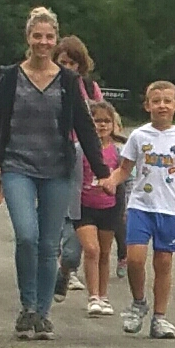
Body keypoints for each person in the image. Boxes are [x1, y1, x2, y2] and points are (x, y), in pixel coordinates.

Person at [0, 6, 101, 341]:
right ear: (28, 38)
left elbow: (85, 128)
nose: (43, 42)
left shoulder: (68, 81)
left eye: (49, 37)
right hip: (18, 165)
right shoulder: (9, 78)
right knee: (27, 236)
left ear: (56, 39)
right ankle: (27, 306)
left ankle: (42, 314)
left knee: (49, 245)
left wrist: (102, 171)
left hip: (57, 169)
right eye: (37, 36)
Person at [113, 81, 175, 338]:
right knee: (136, 259)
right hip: (140, 206)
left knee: (163, 263)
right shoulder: (139, 136)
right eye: (156, 101)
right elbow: (124, 170)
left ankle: (160, 318)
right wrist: (109, 182)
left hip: (169, 211)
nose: (162, 105)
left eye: (167, 101)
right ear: (147, 105)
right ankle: (138, 302)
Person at [53, 35, 103, 300]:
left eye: (73, 63)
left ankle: (68, 264)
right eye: (63, 62)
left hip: (80, 150)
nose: (68, 67)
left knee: (77, 207)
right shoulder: (48, 84)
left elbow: (100, 118)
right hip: (53, 151)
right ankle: (56, 262)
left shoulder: (88, 87)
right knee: (56, 206)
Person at [75, 100, 126, 317]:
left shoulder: (120, 152)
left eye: (106, 121)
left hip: (109, 207)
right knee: (91, 250)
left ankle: (104, 296)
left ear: (113, 124)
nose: (102, 125)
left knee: (104, 253)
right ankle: (93, 296)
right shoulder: (78, 150)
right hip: (83, 206)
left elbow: (125, 181)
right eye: (97, 121)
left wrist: (125, 207)